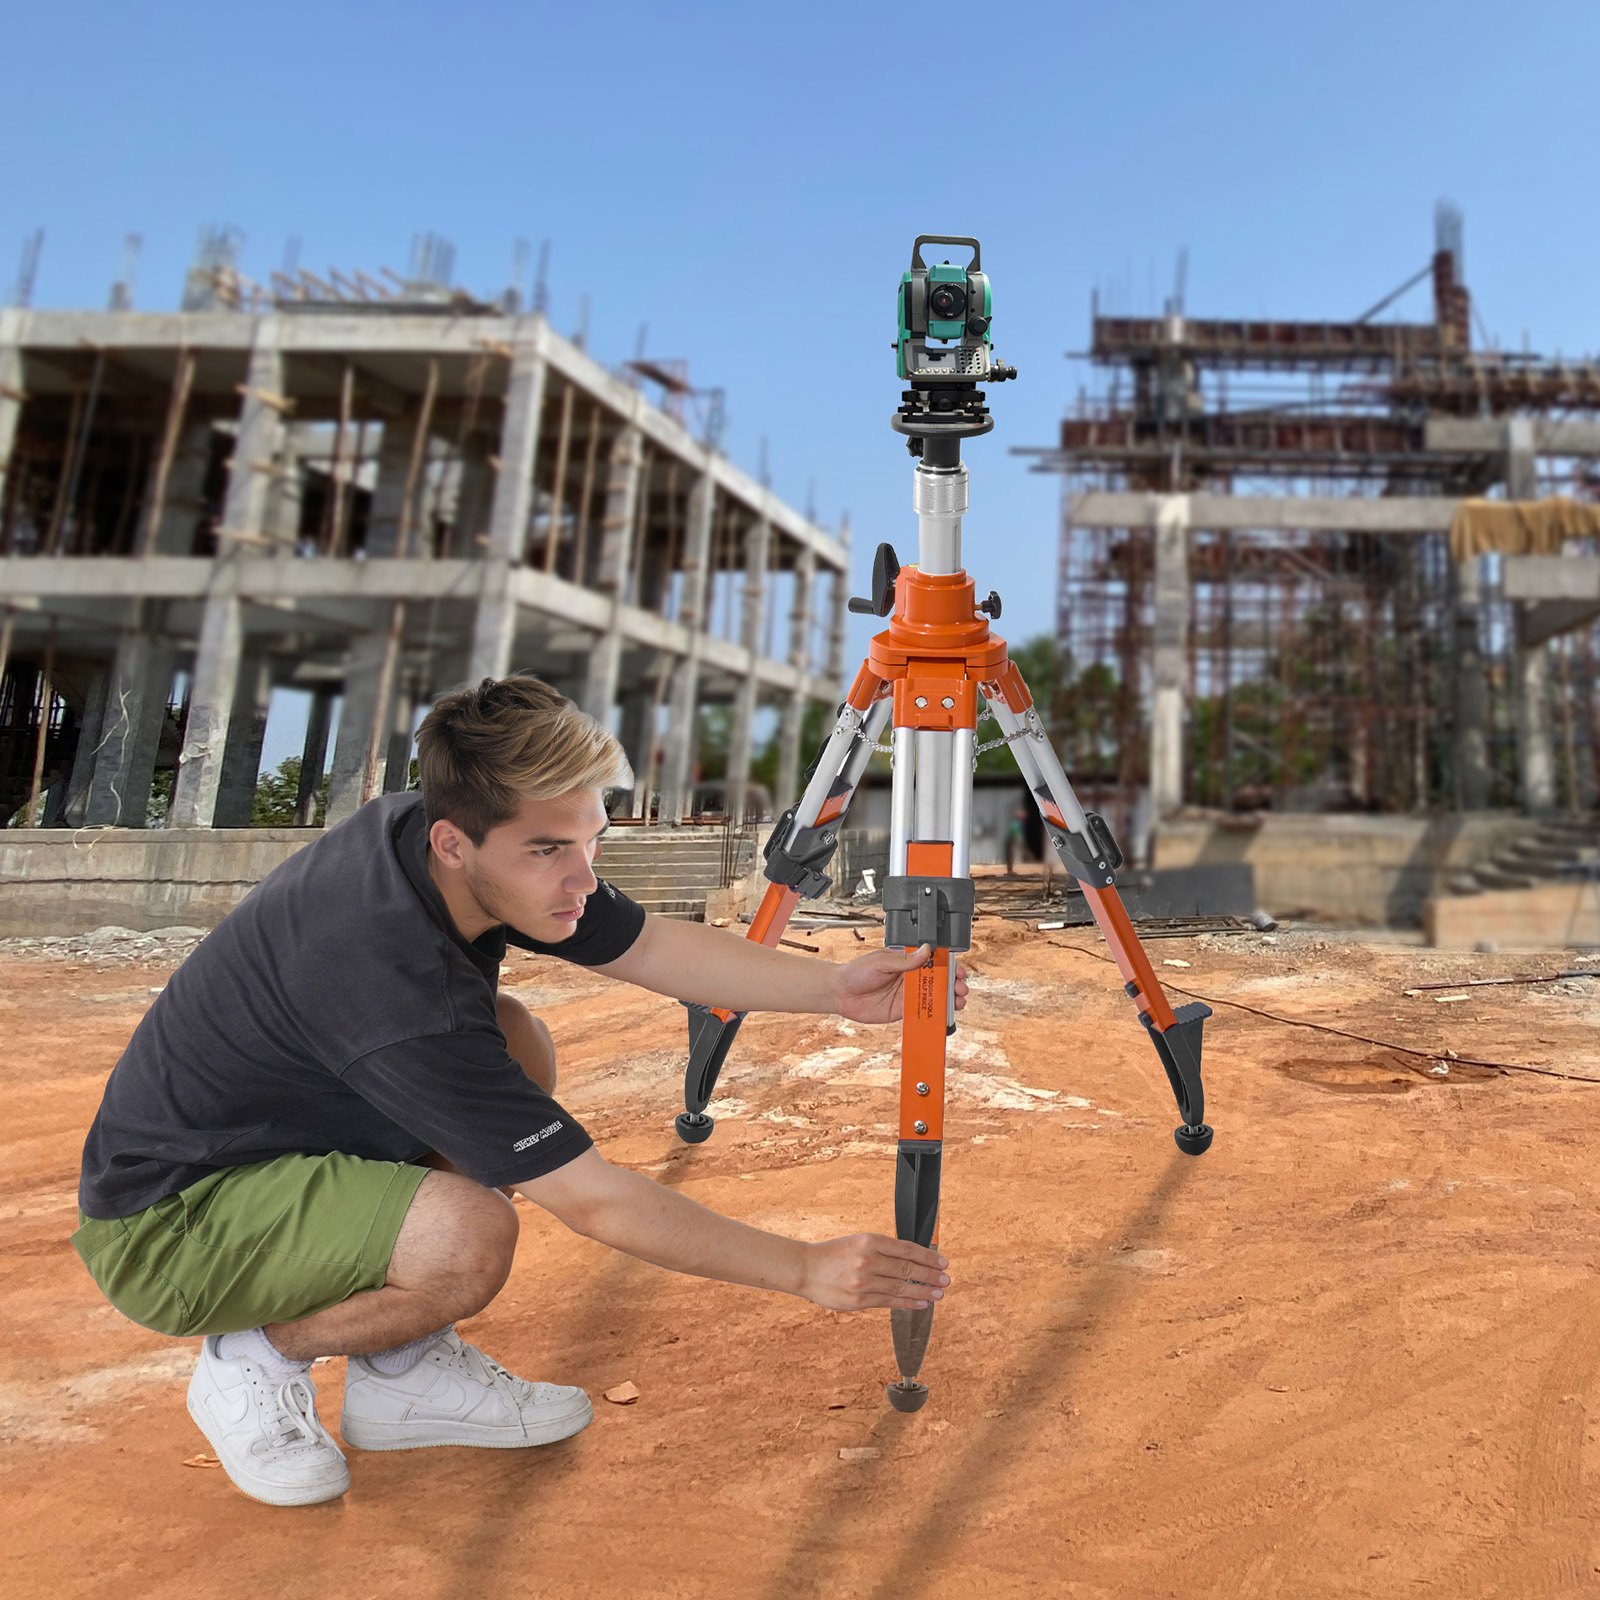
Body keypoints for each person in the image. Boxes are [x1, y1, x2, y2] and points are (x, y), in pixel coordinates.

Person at [71, 674, 958, 1508]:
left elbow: (645, 945)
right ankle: (254, 1359)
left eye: (591, 840)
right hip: (171, 1227)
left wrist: (834, 989)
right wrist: (804, 1268)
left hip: (277, 1153)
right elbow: (595, 1201)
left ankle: (401, 1376)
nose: (582, 876)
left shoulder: (431, 830)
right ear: (455, 843)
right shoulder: (393, 983)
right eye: (548, 850)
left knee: (514, 1035)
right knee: (467, 1238)